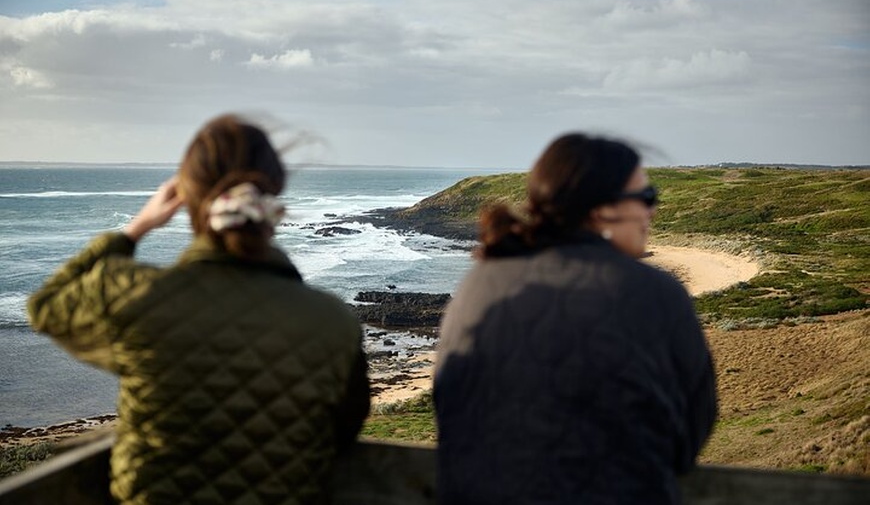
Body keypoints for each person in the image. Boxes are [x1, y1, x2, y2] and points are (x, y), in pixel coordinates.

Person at [28, 114, 370, 505]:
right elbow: (343, 429)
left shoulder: (136, 295)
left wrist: (134, 229)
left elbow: (46, 306)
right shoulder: (333, 322)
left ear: (186, 195)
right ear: (271, 195)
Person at [434, 133, 717, 505]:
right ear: (602, 209)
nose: (652, 212)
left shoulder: (480, 281)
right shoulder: (655, 292)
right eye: (646, 198)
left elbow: (448, 403)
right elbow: (691, 432)